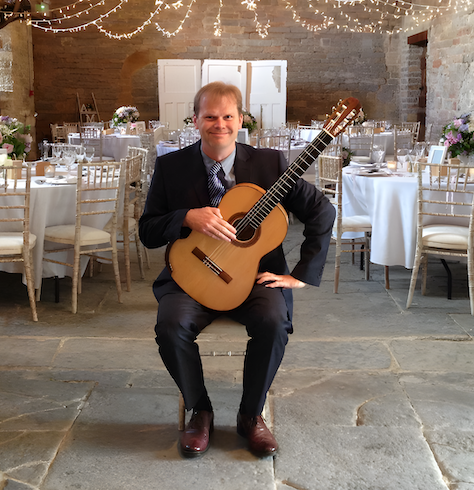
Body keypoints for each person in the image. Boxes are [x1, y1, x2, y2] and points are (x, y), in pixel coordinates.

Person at [139, 82, 335, 459]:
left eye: (228, 116)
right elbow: (147, 231)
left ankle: (250, 415)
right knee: (170, 325)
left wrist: (302, 274)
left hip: (254, 277)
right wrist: (186, 218)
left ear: (240, 120)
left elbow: (322, 212)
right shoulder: (171, 167)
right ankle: (201, 410)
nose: (220, 124)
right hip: (191, 278)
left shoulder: (269, 164)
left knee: (274, 322)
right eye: (210, 116)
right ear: (195, 120)